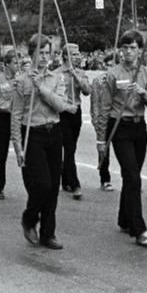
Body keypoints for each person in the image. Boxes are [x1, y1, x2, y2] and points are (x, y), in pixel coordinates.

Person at [93, 30, 147, 246]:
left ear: (140, 50)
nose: (128, 52)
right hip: (119, 128)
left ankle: (124, 217)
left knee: (132, 177)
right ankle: (139, 229)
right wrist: (101, 140)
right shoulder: (112, 74)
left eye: (133, 48)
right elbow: (103, 108)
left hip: (139, 129)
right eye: (125, 48)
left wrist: (141, 92)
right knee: (133, 178)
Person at [12, 34, 78, 250]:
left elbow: (61, 105)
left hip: (54, 131)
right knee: (42, 184)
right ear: (31, 54)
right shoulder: (21, 80)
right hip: (33, 133)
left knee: (53, 187)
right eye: (40, 52)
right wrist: (18, 147)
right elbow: (16, 115)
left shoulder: (55, 78)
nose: (44, 57)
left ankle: (48, 233)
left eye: (47, 53)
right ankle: (29, 218)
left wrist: (41, 88)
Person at [56, 44, 92, 200]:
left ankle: (65, 179)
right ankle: (75, 184)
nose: (78, 57)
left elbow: (87, 91)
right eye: (74, 54)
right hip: (63, 112)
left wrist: (75, 76)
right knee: (69, 148)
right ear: (66, 56)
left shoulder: (80, 72)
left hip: (76, 113)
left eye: (79, 54)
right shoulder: (56, 73)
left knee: (72, 148)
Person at [0, 49, 19, 199]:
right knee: (1, 154)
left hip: (20, 119)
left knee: (26, 150)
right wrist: (13, 108)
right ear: (7, 64)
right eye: (15, 63)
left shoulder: (21, 78)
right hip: (4, 118)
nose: (17, 66)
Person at [91, 53, 116, 192]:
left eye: (113, 64)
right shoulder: (98, 80)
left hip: (117, 117)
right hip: (103, 119)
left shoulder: (121, 79)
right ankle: (105, 179)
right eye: (108, 65)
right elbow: (95, 102)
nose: (110, 67)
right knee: (103, 150)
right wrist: (96, 120)